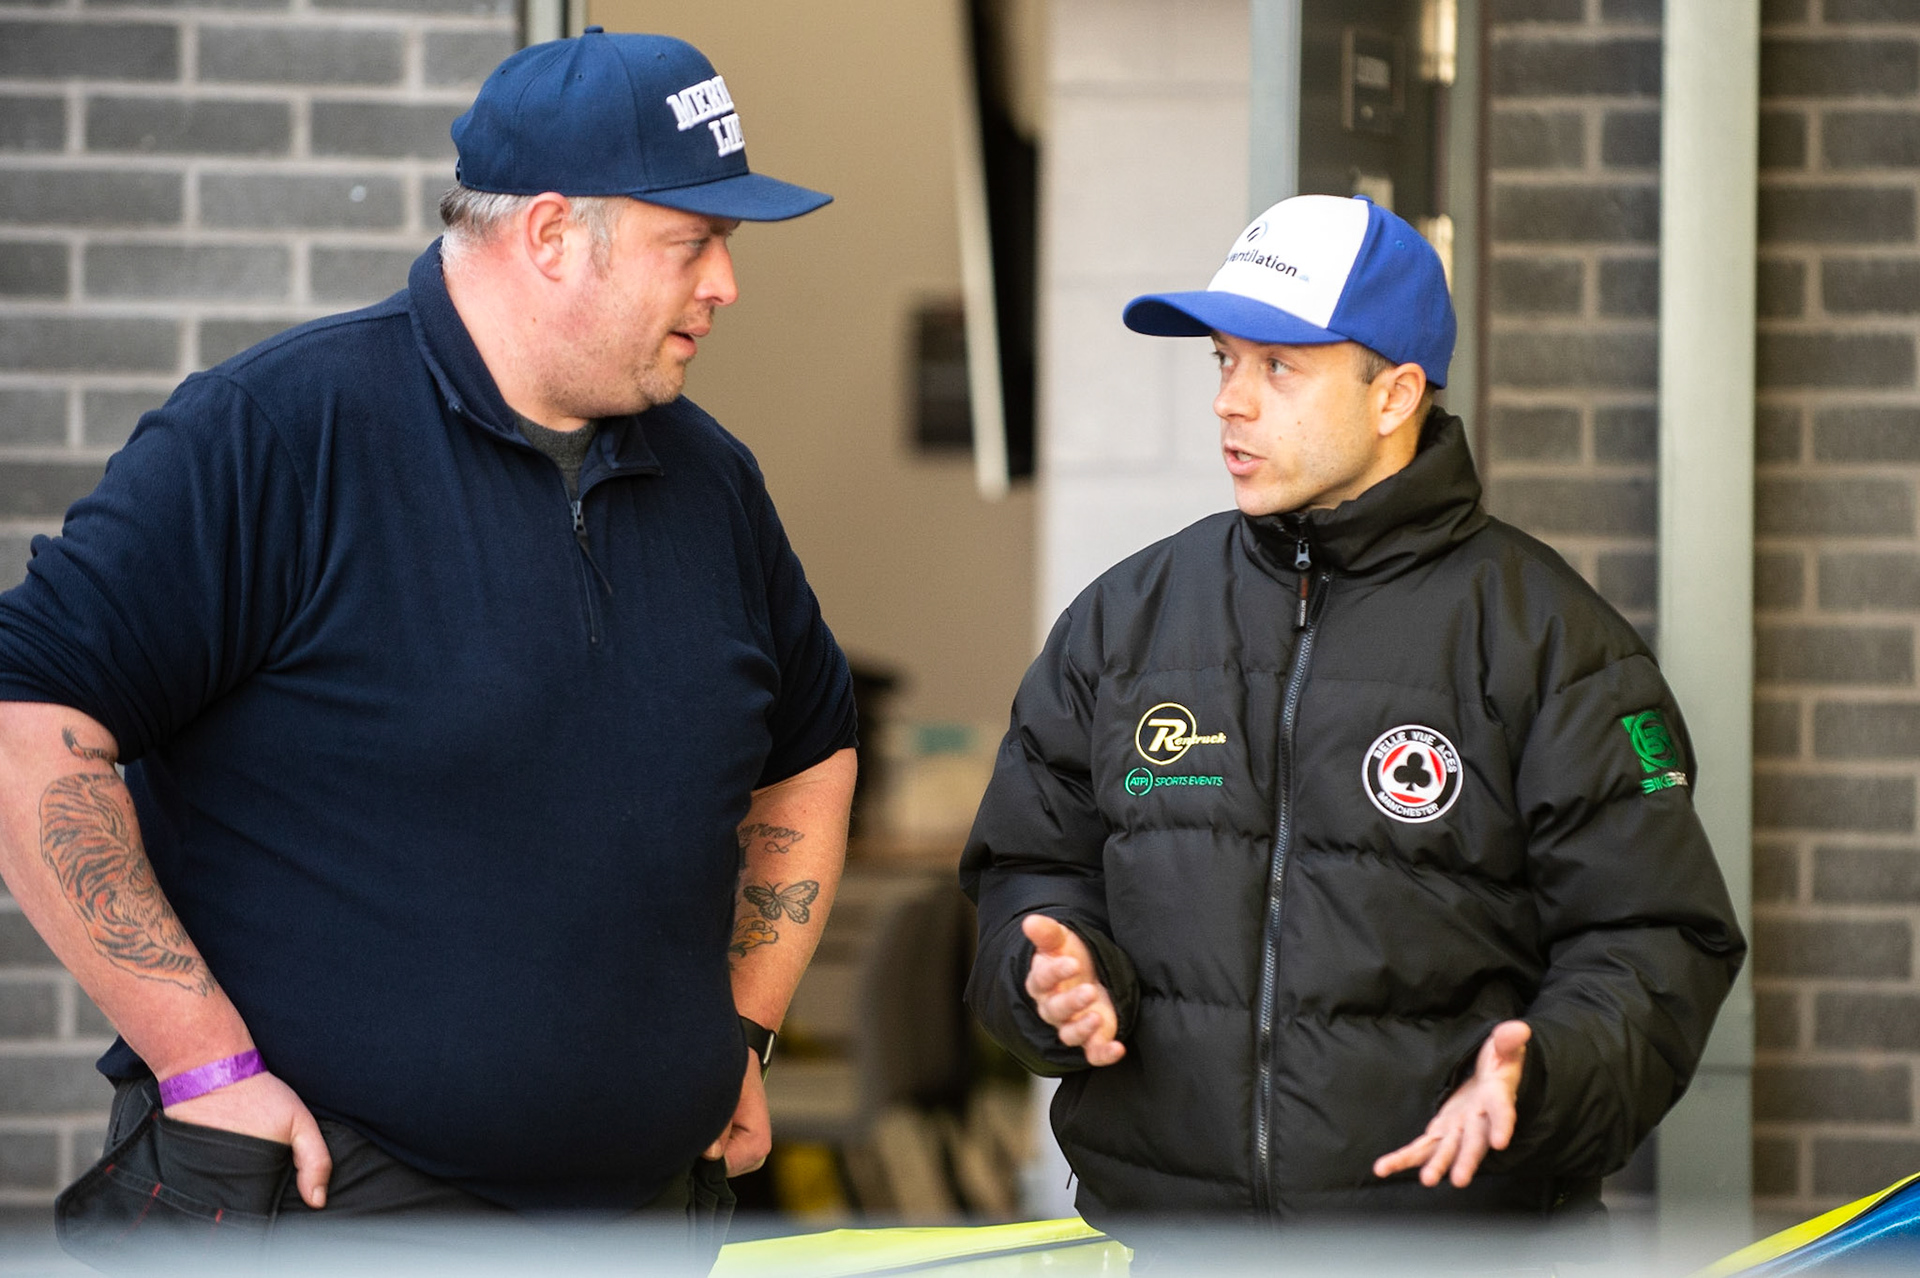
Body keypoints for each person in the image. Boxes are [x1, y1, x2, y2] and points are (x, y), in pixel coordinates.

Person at [0, 28, 856, 1268]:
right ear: (553, 235)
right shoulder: (276, 438)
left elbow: (811, 753)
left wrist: (742, 1029)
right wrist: (203, 1065)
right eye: (695, 243)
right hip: (335, 1211)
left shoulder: (711, 482)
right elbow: (33, 727)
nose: (725, 286)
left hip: (649, 1216)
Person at [960, 194, 1745, 1239]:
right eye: (1223, 363)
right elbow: (1029, 871)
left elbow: (1654, 941)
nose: (1230, 404)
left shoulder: (1550, 642)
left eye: (1277, 367)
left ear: (1396, 396)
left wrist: (1544, 1076)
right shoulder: (1126, 624)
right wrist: (1047, 974)